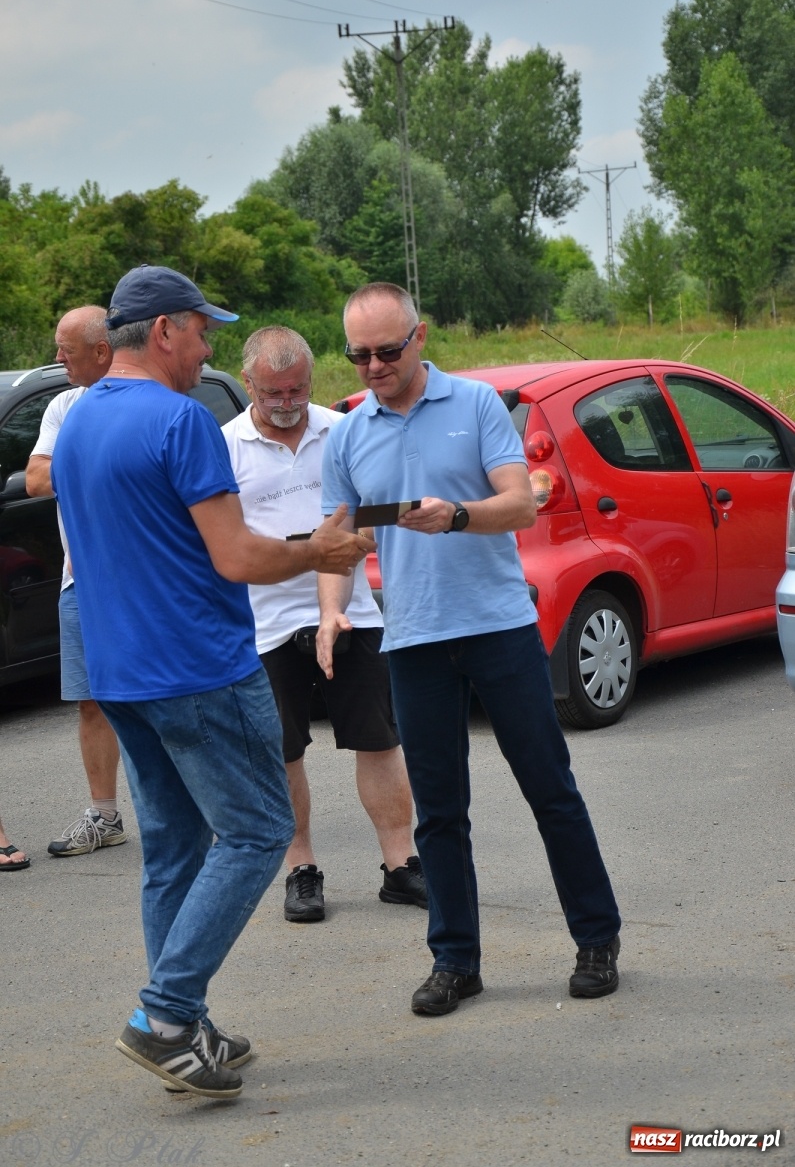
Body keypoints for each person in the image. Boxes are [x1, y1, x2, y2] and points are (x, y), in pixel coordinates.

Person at [51, 265, 374, 1098]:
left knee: (174, 848)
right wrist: (321, 552)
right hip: (195, 666)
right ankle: (164, 1013)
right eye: (202, 330)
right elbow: (237, 557)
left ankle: (180, 1032)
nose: (208, 346)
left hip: (120, 670)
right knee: (262, 832)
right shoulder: (183, 420)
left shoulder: (81, 417)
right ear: (163, 330)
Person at [318, 282, 622, 1017]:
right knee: (439, 813)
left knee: (549, 788)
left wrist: (455, 516)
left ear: (419, 338)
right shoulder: (349, 434)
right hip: (414, 637)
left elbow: (521, 503)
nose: (372, 367)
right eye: (358, 355)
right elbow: (338, 541)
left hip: (496, 629)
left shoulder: (476, 407)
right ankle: (454, 960)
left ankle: (595, 937)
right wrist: (330, 612)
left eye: (386, 351)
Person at [222, 326, 426, 923]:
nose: (287, 402)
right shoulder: (223, 445)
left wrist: (348, 539)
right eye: (272, 392)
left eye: (298, 389)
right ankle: (301, 868)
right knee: (282, 751)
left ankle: (401, 864)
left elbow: (380, 511)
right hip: (263, 623)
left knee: (380, 740)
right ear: (247, 384)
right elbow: (219, 539)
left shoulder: (342, 430)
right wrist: (294, 550)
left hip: (351, 611)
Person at [26, 307, 125, 857]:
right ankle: (105, 816)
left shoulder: (146, 396)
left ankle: (186, 811)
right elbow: (38, 479)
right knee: (92, 703)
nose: (58, 358)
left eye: (66, 348)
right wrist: (100, 459)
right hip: (78, 582)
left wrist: (77, 458)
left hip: (140, 584)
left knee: (160, 698)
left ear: (102, 350)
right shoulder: (64, 404)